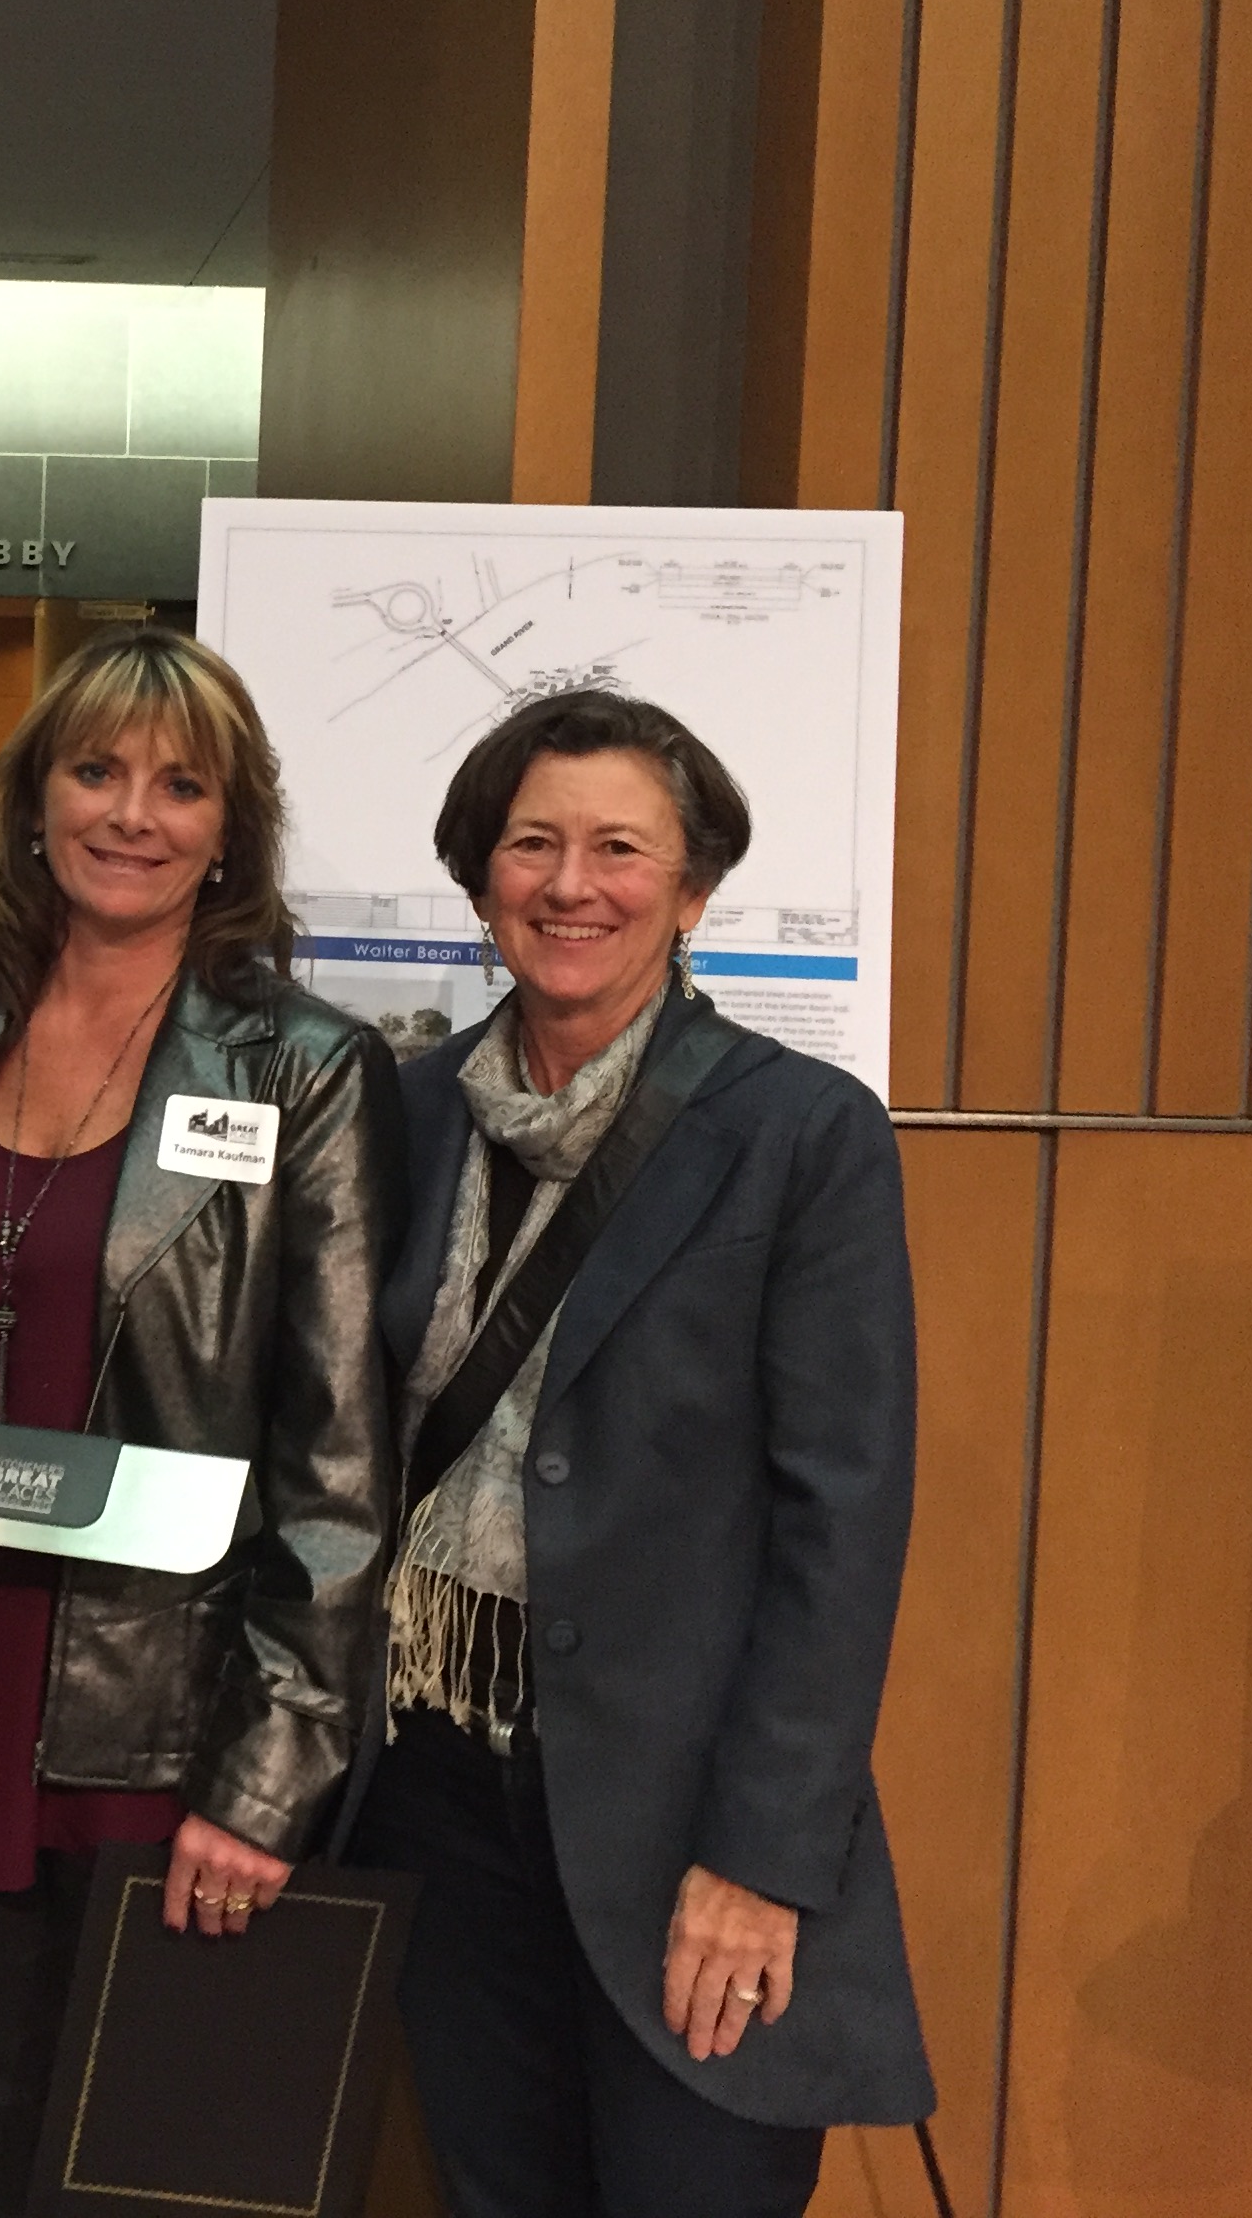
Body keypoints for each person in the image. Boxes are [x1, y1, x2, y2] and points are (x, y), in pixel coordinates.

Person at [0, 627, 402, 2216]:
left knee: (151, 2161)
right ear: (37, 798)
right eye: (96, 769)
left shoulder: (308, 1074)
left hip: (171, 1709)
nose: (132, 813)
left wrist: (271, 1777)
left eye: (179, 784)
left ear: (231, 828)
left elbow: (340, 1466)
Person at [351, 691, 932, 2218]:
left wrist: (763, 1859)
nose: (570, 884)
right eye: (532, 843)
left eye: (620, 847)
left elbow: (843, 1521)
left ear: (693, 889)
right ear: (482, 882)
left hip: (678, 1810)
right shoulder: (406, 1114)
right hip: (432, 1778)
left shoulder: (798, 1133)